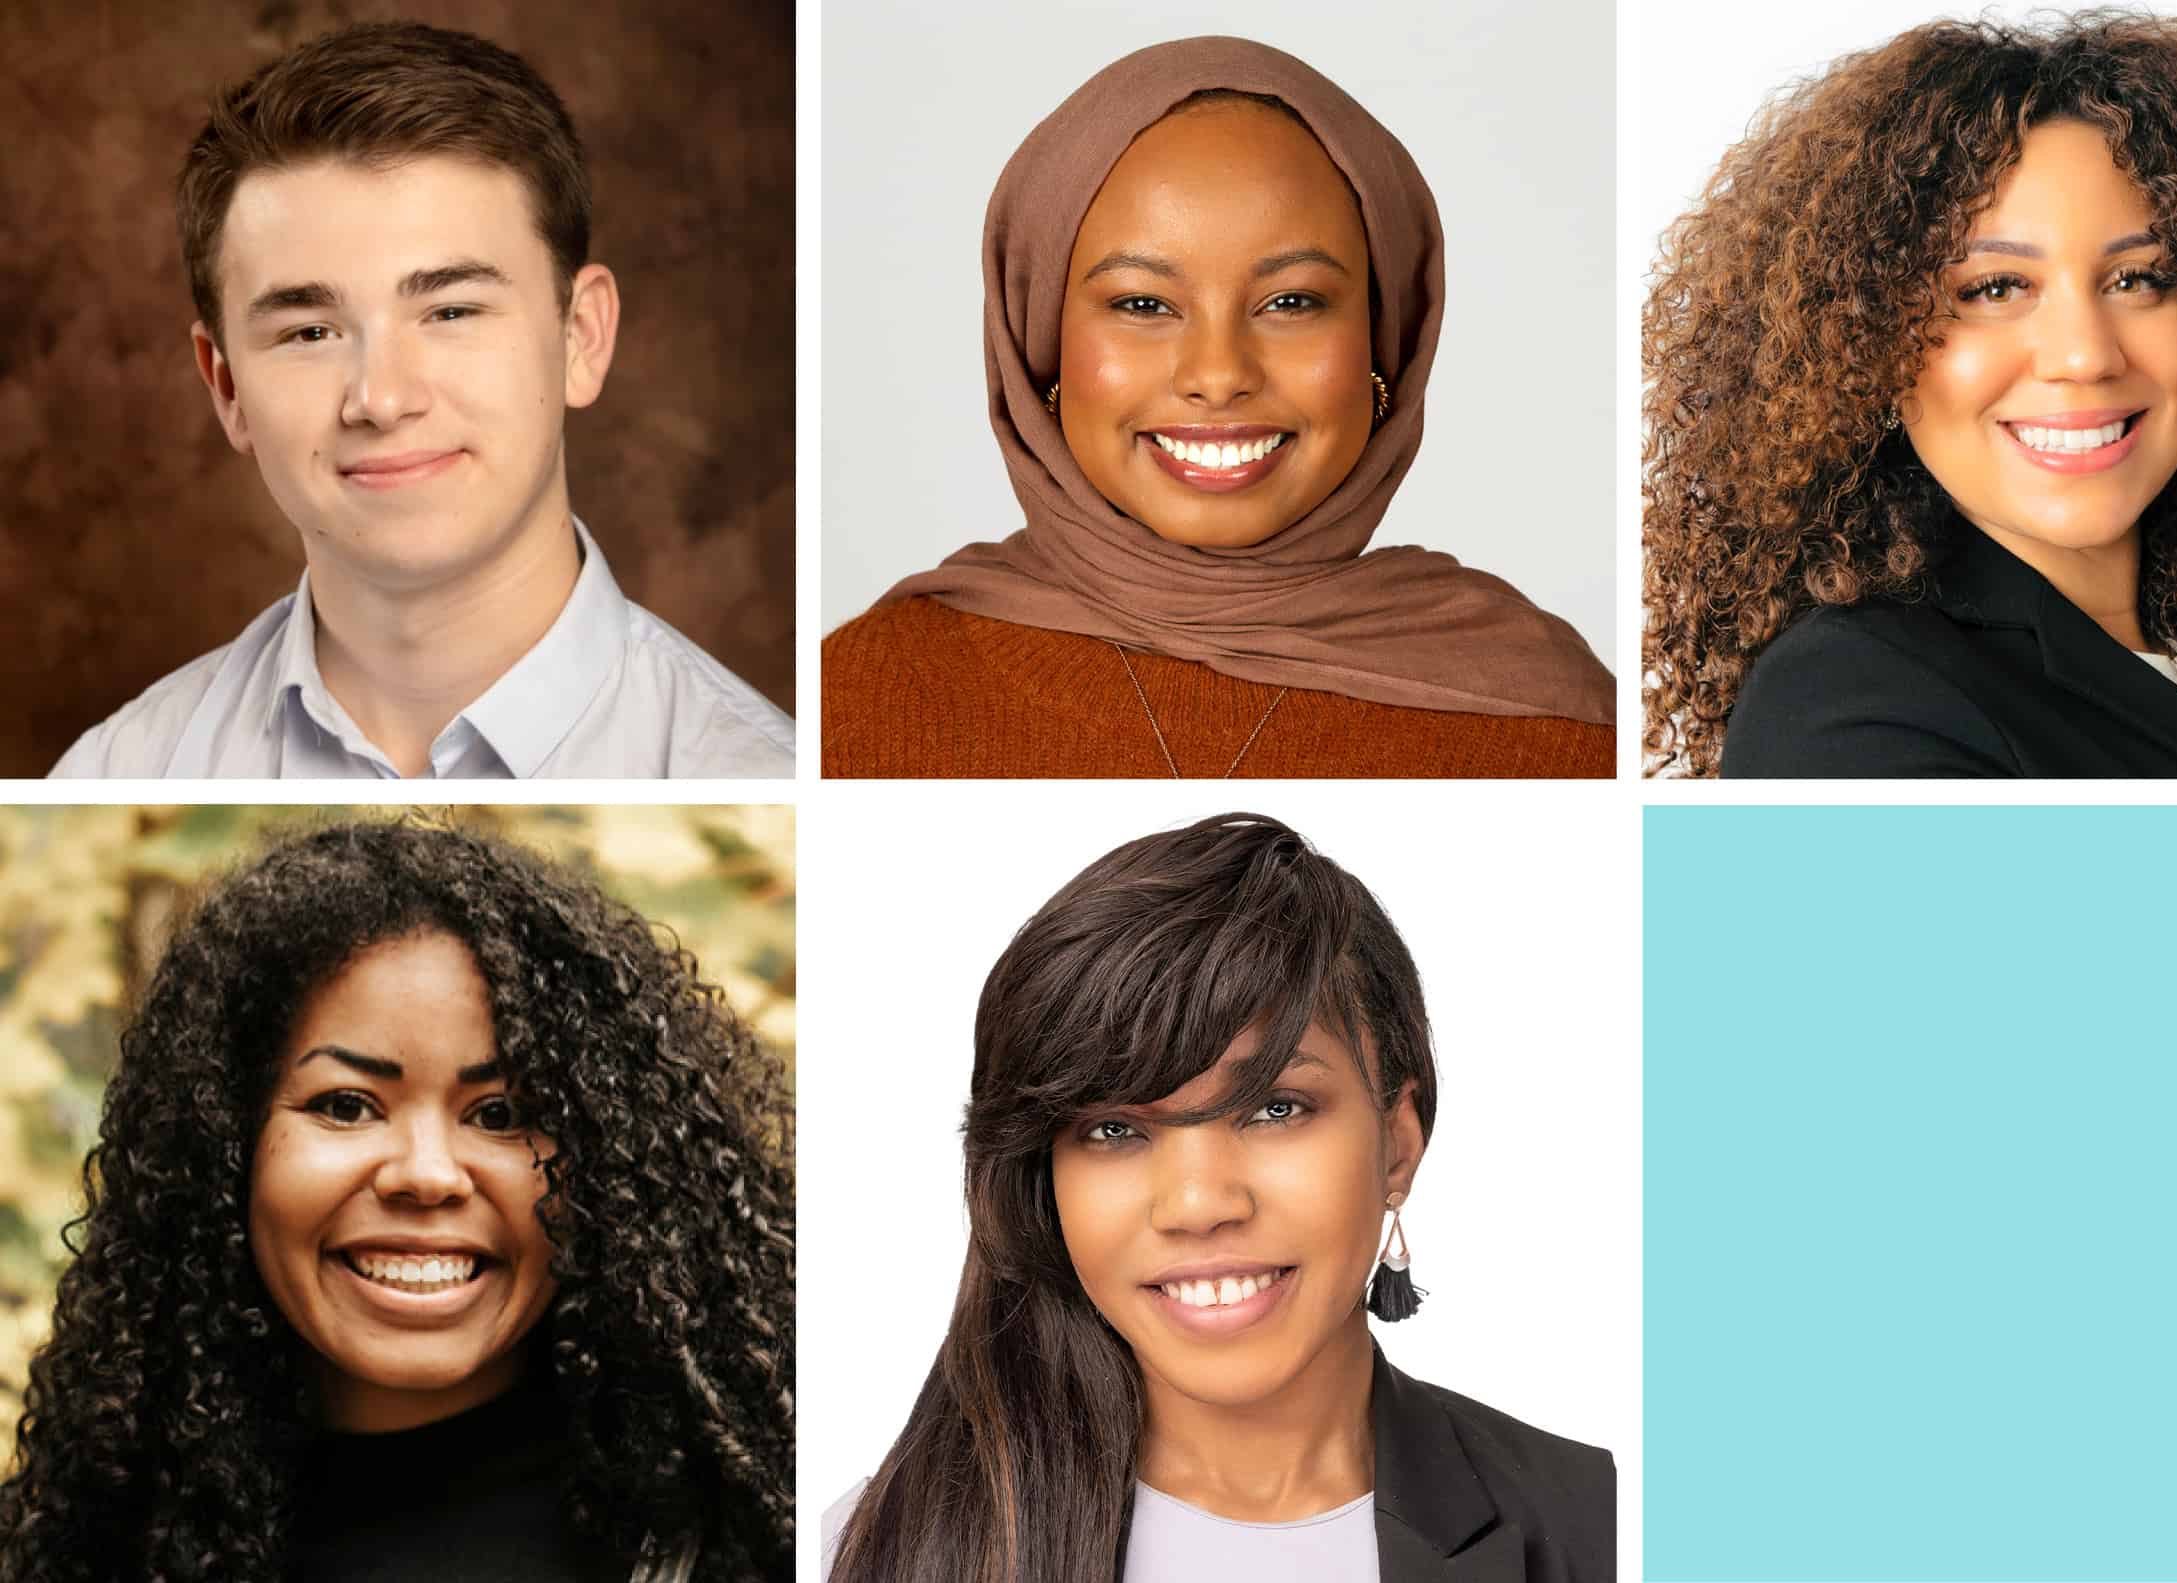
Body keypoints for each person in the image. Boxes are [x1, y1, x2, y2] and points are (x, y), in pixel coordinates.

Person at [820, 814, 1614, 1581]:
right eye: (1114, 1128)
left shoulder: (1606, 1526)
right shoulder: (862, 1551)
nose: (1198, 1203)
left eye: (1275, 1108)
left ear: (1397, 1143)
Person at [0, 821, 795, 1581]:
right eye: (346, 1105)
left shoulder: (755, 1537)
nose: (427, 1173)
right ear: (223, 1145)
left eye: (500, 1114)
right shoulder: (86, 1544)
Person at [821, 38, 1616, 778]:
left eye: (1292, 301)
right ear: (1039, 343)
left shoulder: (1567, 734)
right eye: (1142, 304)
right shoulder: (857, 700)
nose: (1219, 373)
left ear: (1387, 339)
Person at [1641, 13, 2177, 778]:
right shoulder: (1848, 706)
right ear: (1861, 346)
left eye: (2138, 279)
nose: (2085, 355)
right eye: (1995, 288)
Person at [49, 21, 794, 779]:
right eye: (310, 332)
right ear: (228, 387)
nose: (382, 399)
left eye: (450, 311)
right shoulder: (110, 775)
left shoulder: (765, 780)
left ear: (581, 336)